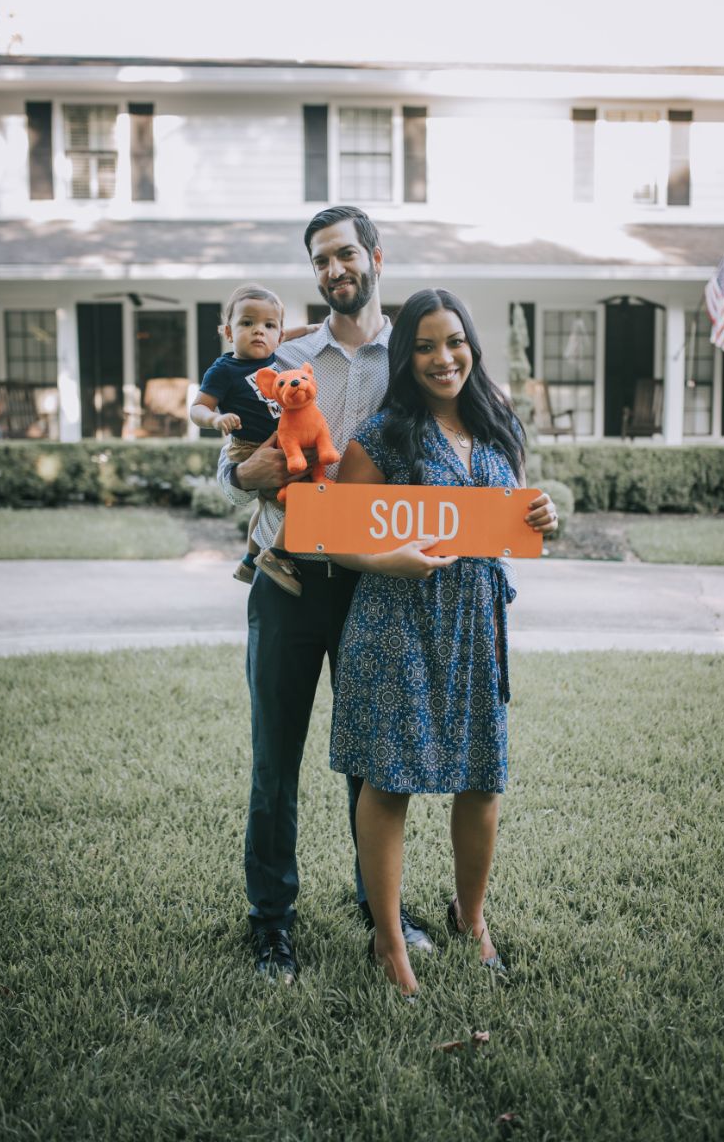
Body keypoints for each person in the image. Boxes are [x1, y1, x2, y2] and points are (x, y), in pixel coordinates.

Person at [217, 211, 556, 986]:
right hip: (293, 577)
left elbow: (481, 488)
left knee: (373, 761)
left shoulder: (405, 360)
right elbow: (229, 461)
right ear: (314, 272)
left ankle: (384, 915)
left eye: (346, 254)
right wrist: (243, 474)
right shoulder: (285, 353)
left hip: (383, 596)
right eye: (321, 259)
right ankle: (273, 925)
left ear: (375, 258)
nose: (336, 269)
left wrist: (536, 516)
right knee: (277, 761)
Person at [329, 288, 558, 998]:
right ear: (407, 356)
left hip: (475, 626)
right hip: (396, 624)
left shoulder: (499, 427)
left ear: (471, 346)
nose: (442, 357)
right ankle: (390, 940)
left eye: (453, 342)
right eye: (424, 345)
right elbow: (334, 535)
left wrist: (541, 514)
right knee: (389, 781)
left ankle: (471, 917)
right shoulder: (386, 433)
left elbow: (508, 521)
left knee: (483, 780)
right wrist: (386, 558)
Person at [192, 283, 320, 596]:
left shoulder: (277, 349)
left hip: (276, 439)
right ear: (228, 332)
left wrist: (318, 328)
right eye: (247, 323)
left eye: (268, 325)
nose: (258, 331)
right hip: (247, 447)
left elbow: (290, 332)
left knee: (264, 507)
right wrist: (215, 419)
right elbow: (198, 407)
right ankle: (277, 555)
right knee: (304, 496)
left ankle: (249, 560)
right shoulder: (224, 369)